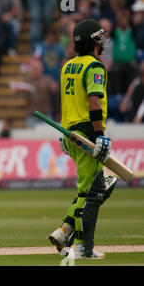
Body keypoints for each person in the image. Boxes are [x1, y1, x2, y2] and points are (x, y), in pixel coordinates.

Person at [48, 19, 119, 259]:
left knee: (87, 190)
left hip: (70, 132)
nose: (103, 41)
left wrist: (68, 137)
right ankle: (80, 246)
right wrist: (100, 135)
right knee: (89, 193)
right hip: (88, 132)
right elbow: (93, 101)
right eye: (100, 37)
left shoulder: (67, 66)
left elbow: (68, 102)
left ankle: (65, 229)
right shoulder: (95, 67)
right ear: (95, 41)